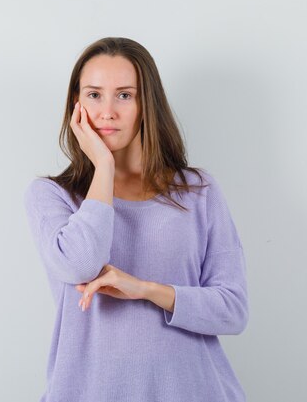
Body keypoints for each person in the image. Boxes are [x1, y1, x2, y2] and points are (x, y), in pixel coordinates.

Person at [23, 37, 249, 402]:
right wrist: (104, 167)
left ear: (147, 105)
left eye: (124, 95)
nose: (107, 111)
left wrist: (144, 289)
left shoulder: (198, 190)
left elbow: (233, 310)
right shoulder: (52, 196)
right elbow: (81, 264)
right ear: (76, 104)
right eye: (94, 95)